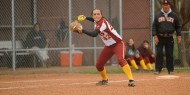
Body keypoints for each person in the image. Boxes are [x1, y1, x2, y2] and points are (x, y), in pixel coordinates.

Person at [77, 9, 135, 87]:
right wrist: (85, 18)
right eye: (94, 14)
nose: (96, 15)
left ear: (101, 15)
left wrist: (82, 30)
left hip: (118, 44)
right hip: (109, 46)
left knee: (121, 60)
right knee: (99, 65)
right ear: (92, 16)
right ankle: (104, 80)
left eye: (98, 14)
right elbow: (94, 20)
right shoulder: (97, 21)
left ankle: (131, 80)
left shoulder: (102, 23)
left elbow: (94, 34)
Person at [152, 0, 181, 74]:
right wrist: (155, 36)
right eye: (164, 5)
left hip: (169, 37)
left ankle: (170, 69)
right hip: (160, 37)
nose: (165, 6)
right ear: (162, 6)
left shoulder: (173, 15)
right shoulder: (158, 15)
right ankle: (158, 69)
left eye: (167, 5)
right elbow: (154, 26)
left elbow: (178, 26)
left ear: (169, 6)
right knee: (159, 53)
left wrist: (179, 35)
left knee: (170, 54)